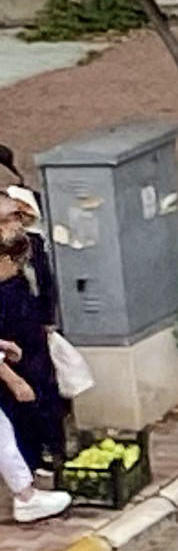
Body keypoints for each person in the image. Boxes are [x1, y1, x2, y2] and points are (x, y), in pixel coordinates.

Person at [0, 196, 69, 521]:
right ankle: (26, 494)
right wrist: (13, 379)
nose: (13, 225)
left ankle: (32, 485)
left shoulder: (26, 249)